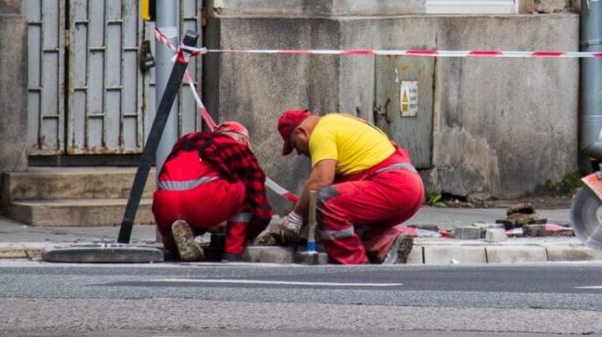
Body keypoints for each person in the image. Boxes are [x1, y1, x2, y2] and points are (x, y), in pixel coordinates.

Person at [274, 108, 422, 265]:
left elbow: (320, 181)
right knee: (342, 212)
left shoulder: (321, 132)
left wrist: (296, 216)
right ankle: (387, 243)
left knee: (326, 201)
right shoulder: (341, 121)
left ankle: (355, 264)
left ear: (301, 132)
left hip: (392, 185)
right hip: (410, 189)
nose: (298, 152)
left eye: (294, 145)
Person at [152, 121, 272, 262]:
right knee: (246, 188)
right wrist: (250, 233)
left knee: (181, 202)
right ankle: (233, 252)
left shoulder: (187, 140)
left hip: (164, 207)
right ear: (242, 139)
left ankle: (174, 247)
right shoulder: (237, 148)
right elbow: (260, 207)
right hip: (202, 203)